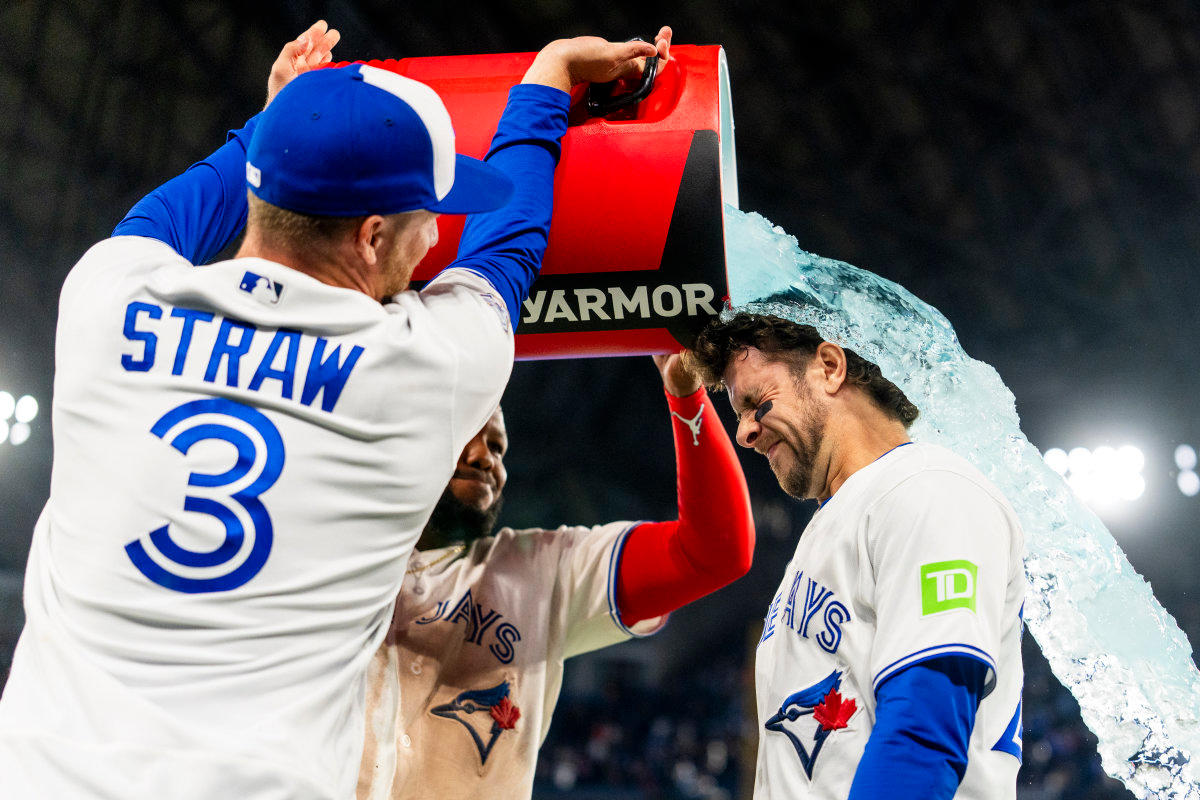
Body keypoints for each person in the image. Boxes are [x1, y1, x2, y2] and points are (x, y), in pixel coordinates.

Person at [0, 21, 665, 800]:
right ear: (374, 236)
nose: (435, 241)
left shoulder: (104, 300)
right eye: (430, 218)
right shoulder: (419, 369)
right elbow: (508, 240)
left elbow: (174, 213)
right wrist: (550, 76)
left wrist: (273, 125)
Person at [354, 350, 754, 800]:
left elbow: (713, 552)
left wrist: (686, 395)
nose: (486, 458)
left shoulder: (538, 568)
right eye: (467, 431)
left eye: (499, 448)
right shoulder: (325, 556)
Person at [686, 313, 1026, 800]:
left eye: (757, 403)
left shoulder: (928, 489)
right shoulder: (841, 517)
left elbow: (922, 736)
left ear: (829, 366)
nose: (745, 432)